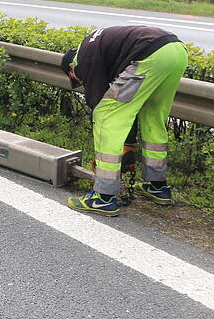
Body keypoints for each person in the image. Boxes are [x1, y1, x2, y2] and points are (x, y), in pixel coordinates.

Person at [60, 25, 188, 216]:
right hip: (176, 51)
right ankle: (157, 185)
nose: (80, 81)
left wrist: (112, 155)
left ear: (71, 67)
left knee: (106, 115)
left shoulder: (83, 59)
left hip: (150, 55)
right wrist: (127, 145)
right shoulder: (97, 46)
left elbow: (101, 105)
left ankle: (102, 197)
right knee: (153, 116)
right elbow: (128, 107)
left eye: (76, 79)